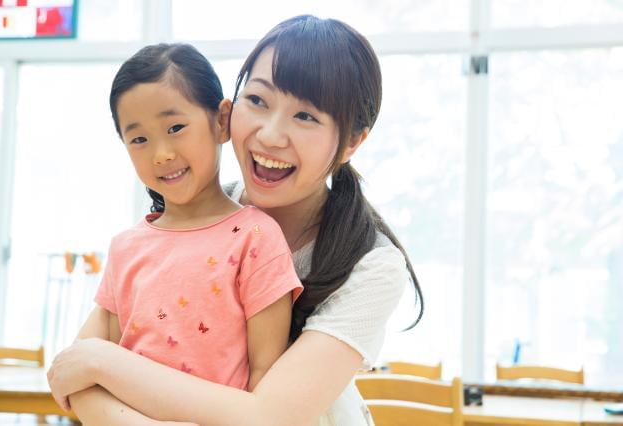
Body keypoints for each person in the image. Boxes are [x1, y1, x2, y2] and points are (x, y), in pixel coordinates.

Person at [47, 15, 423, 426]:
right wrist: (98, 372)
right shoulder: (189, 212)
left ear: (352, 141)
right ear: (227, 113)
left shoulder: (372, 265)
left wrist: (103, 361)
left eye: (306, 117)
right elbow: (72, 373)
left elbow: (270, 416)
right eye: (258, 101)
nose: (270, 135)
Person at [48, 42, 303, 423]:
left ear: (221, 121)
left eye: (175, 127)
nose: (161, 153)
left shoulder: (256, 238)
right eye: (139, 139)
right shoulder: (126, 248)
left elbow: (264, 379)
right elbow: (78, 370)